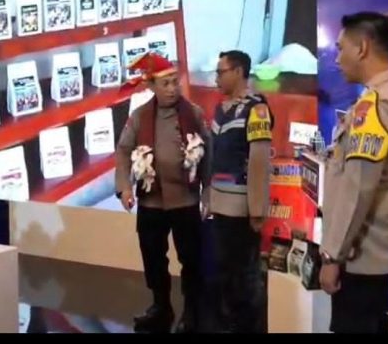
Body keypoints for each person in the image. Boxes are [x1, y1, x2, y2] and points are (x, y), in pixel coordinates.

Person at [320, 12, 388, 333]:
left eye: (341, 49)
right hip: (377, 260)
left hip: (364, 263)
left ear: (362, 48)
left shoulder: (378, 105)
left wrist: (333, 257)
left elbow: (358, 190)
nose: (337, 59)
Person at [115, 52, 211, 333]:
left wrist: (207, 192)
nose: (172, 89)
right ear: (151, 87)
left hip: (186, 201)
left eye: (174, 82)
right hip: (151, 201)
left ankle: (192, 311)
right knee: (153, 257)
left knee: (190, 259)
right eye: (165, 84)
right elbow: (123, 151)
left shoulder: (193, 113)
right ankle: (161, 306)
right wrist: (124, 187)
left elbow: (209, 152)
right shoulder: (139, 116)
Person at [209, 50, 273, 333]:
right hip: (219, 206)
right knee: (224, 273)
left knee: (244, 278)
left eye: (220, 72)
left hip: (242, 210)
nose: (216, 78)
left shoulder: (257, 109)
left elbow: (259, 161)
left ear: (237, 72)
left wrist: (257, 209)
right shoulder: (219, 110)